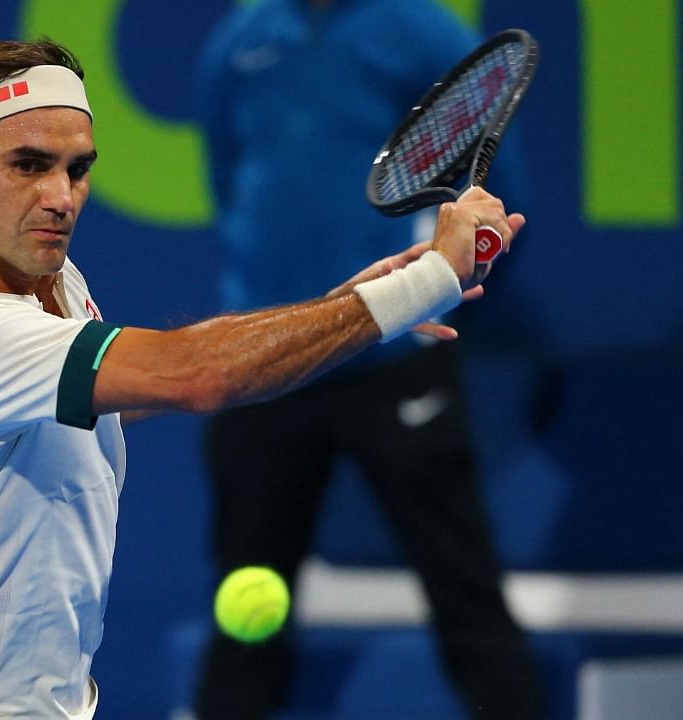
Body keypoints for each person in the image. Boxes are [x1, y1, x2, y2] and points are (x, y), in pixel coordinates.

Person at [0, 38, 522, 720]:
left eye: (76, 169)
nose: (60, 197)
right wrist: (430, 279)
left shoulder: (41, 275)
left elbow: (111, 397)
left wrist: (343, 309)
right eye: (28, 165)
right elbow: (198, 373)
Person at [192, 1, 544, 718]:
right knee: (244, 604)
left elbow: (503, 200)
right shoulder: (239, 42)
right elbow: (230, 184)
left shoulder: (423, 30)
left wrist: (435, 289)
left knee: (464, 591)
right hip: (269, 363)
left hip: (396, 357)